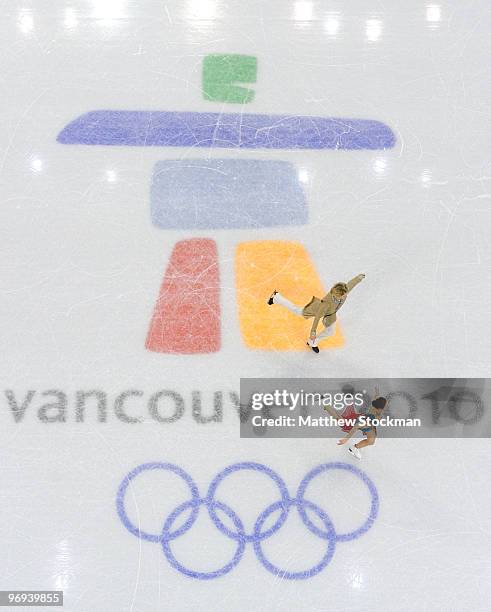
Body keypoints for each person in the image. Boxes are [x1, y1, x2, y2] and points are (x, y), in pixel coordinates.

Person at [267, 274, 365, 353]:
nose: (344, 296)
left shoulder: (343, 291)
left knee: (330, 331)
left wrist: (358, 278)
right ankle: (276, 297)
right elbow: (317, 317)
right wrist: (313, 332)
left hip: (330, 314)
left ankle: (312, 342)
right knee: (298, 311)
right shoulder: (326, 303)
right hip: (317, 309)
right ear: (336, 294)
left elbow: (351, 284)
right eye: (342, 295)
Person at [337, 392, 388, 459]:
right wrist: (346, 439)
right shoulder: (372, 418)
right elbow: (357, 426)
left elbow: (374, 401)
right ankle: (354, 448)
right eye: (386, 405)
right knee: (371, 441)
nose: (387, 406)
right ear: (380, 408)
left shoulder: (374, 406)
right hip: (365, 424)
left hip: (367, 421)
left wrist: (376, 396)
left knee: (371, 439)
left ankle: (356, 446)